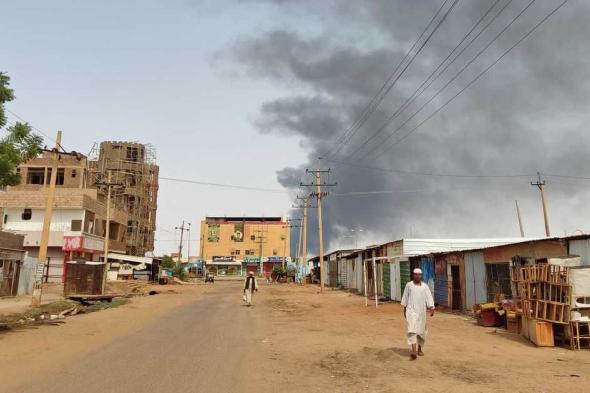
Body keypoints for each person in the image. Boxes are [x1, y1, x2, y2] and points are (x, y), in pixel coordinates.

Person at [401, 268, 435, 360]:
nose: (417, 276)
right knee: (411, 330)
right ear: (413, 275)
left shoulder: (425, 287)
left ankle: (419, 349)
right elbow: (405, 297)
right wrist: (404, 309)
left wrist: (431, 307)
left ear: (421, 276)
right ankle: (414, 351)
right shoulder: (409, 285)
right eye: (415, 274)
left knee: (421, 332)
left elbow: (429, 297)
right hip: (411, 311)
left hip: (421, 312)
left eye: (419, 275)